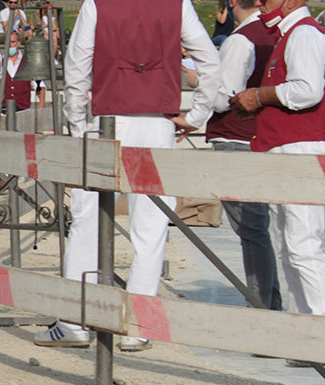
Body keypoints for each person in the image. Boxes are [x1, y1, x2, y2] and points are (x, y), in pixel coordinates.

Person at [34, 0, 219, 351]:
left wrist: (77, 124)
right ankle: (137, 324)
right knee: (150, 227)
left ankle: (74, 321)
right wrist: (197, 113)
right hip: (157, 121)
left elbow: (77, 67)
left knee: (87, 219)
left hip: (107, 119)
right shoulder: (178, 5)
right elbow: (210, 60)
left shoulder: (96, 4)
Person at [229, 3, 325, 362]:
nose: (258, 2)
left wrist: (260, 96)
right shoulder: (292, 35)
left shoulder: (304, 34)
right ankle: (306, 331)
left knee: (302, 243)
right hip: (289, 148)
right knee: (291, 245)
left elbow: (308, 90)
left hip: (300, 148)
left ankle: (321, 335)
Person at [208, 0, 281, 311]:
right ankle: (267, 302)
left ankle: (263, 306)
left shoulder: (241, 39)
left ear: (233, 3)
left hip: (236, 136)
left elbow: (225, 98)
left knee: (251, 230)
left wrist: (200, 83)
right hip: (263, 134)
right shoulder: (275, 32)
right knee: (261, 229)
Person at [2, 31, 44, 110]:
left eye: (13, 42)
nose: (10, 45)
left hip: (23, 108)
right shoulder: (0, 61)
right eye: (8, 42)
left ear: (18, 43)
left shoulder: (27, 61)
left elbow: (40, 84)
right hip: (4, 108)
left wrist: (41, 102)